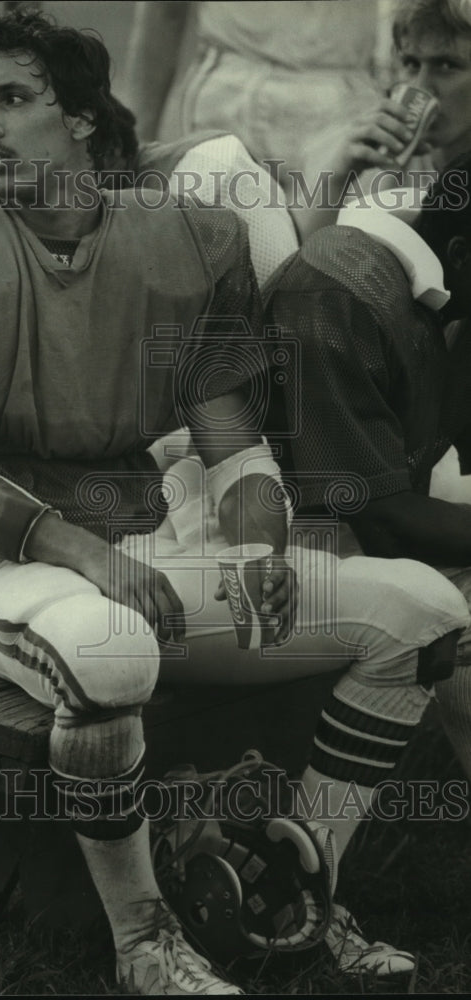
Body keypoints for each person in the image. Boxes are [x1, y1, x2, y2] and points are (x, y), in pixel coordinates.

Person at [0, 9, 469, 993]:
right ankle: (144, 939)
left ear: (88, 123)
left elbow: (233, 451)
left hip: (146, 558)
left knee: (422, 615)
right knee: (113, 650)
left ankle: (290, 878)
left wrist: (259, 543)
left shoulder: (173, 240)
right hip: (12, 570)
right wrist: (94, 558)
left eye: (12, 98)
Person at [263, 155, 471, 786]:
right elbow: (384, 524)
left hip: (348, 547)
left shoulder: (427, 286)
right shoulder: (335, 292)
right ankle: (300, 859)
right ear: (461, 254)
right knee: (436, 609)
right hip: (257, 562)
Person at [122, 1, 388, 198]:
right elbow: (165, 12)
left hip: (340, 92)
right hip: (232, 87)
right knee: (219, 254)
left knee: (334, 257)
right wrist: (132, 146)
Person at [299, 0, 471, 237]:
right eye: (411, 64)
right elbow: (302, 262)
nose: (421, 87)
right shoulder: (385, 156)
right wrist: (337, 179)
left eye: (446, 65)